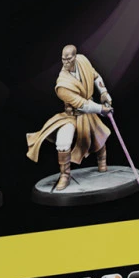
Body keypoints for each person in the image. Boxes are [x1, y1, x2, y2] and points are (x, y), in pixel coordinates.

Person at [26, 45, 113, 190]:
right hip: (73, 115)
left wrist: (104, 92)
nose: (66, 62)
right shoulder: (62, 84)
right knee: (63, 139)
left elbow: (95, 76)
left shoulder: (83, 61)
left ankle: (102, 161)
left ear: (75, 56)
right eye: (63, 59)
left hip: (89, 113)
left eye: (69, 59)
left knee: (99, 134)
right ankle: (65, 175)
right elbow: (81, 104)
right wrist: (101, 109)